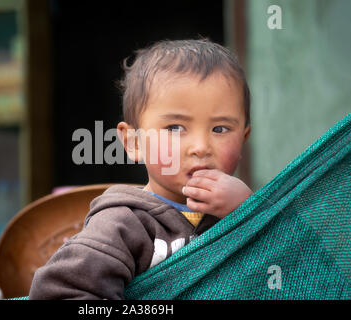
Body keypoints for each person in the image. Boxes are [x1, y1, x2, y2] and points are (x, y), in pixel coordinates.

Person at [29, 38, 253, 299]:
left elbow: (304, 269)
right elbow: (60, 291)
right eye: (175, 128)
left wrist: (252, 212)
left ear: (243, 139)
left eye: (220, 129)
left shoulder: (249, 211)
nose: (201, 147)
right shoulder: (125, 224)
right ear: (134, 142)